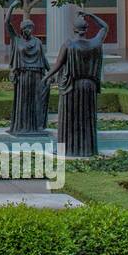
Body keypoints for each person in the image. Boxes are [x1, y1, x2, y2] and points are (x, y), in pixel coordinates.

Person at [42, 10, 109, 157]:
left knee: (69, 119)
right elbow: (105, 27)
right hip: (89, 86)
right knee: (87, 119)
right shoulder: (96, 43)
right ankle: (87, 149)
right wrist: (91, 15)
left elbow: (58, 64)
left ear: (74, 30)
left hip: (72, 87)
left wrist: (47, 76)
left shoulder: (68, 44)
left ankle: (66, 149)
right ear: (86, 29)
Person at [5, 0, 49, 134]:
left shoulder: (37, 42)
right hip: (23, 75)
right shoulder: (17, 39)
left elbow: (43, 58)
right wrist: (11, 7)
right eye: (27, 28)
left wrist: (51, 73)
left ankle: (37, 126)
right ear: (22, 29)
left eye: (31, 27)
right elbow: (7, 23)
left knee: (37, 100)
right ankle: (22, 126)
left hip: (37, 74)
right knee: (23, 101)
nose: (29, 30)